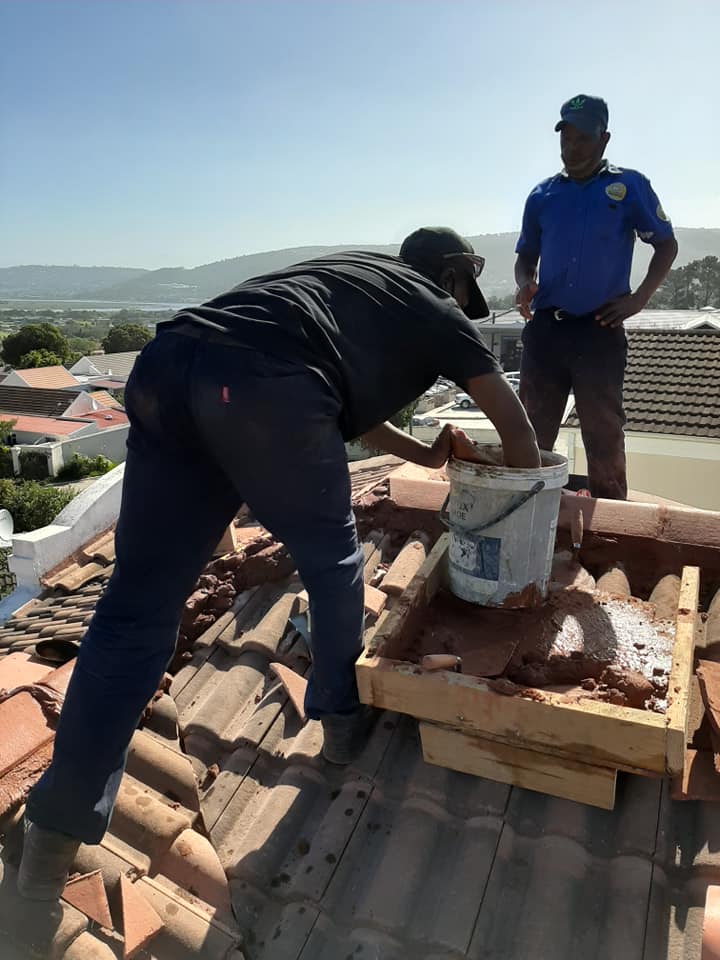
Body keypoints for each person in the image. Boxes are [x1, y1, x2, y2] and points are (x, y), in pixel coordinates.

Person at [14, 226, 540, 901]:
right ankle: (343, 720)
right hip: (257, 386)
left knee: (133, 611)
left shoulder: (344, 279)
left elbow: (338, 405)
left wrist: (427, 458)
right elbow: (520, 433)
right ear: (451, 272)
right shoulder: (433, 305)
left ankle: (48, 850)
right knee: (333, 561)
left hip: (169, 365)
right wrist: (530, 535)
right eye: (466, 284)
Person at [515, 95, 678, 499]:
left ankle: (611, 534)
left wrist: (639, 299)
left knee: (603, 433)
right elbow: (525, 258)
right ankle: (524, 510)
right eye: (565, 138)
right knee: (530, 431)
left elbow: (666, 245)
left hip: (599, 331)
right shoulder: (542, 195)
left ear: (604, 139)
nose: (572, 148)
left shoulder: (629, 187)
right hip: (546, 333)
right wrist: (523, 283)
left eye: (582, 139)